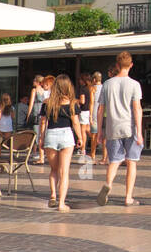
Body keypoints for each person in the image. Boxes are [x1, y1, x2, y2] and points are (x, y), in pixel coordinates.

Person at [95, 51, 143, 207]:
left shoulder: (107, 84)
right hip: (130, 127)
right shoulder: (135, 84)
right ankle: (128, 197)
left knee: (114, 161)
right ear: (131, 65)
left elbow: (100, 109)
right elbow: (137, 109)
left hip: (112, 128)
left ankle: (108, 184)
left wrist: (100, 131)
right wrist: (140, 132)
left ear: (117, 65)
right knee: (132, 162)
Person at [41, 74, 81, 211]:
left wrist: (41, 138)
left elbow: (42, 123)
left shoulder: (47, 103)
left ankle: (53, 196)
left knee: (53, 170)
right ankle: (61, 203)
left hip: (51, 135)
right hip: (66, 135)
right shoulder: (72, 103)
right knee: (64, 172)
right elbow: (75, 122)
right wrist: (80, 137)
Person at [75, 73, 93, 163]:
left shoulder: (83, 89)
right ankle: (95, 140)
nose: (79, 82)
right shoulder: (91, 88)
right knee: (87, 129)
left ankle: (83, 149)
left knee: (83, 131)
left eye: (80, 80)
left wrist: (75, 100)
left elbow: (82, 101)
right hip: (90, 110)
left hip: (84, 111)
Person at [88, 71, 105, 160]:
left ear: (94, 79)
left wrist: (90, 115)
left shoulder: (93, 88)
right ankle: (104, 156)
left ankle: (93, 154)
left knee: (94, 134)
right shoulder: (104, 87)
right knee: (104, 134)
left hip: (95, 111)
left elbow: (91, 102)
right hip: (103, 111)